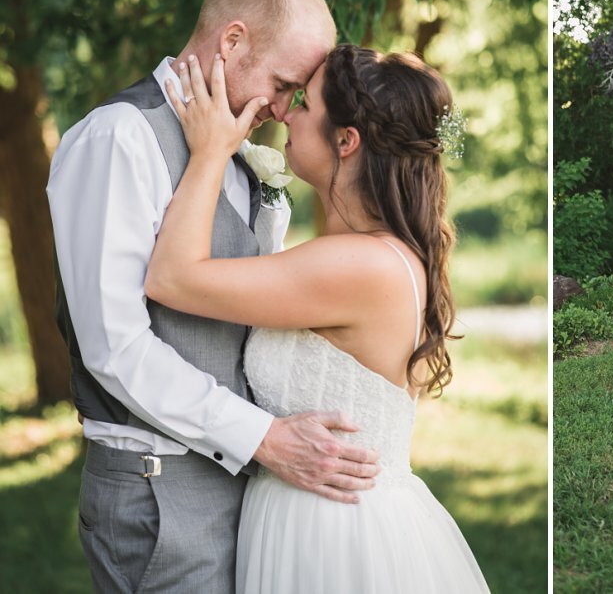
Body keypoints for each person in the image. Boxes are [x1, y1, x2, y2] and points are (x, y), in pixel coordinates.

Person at [48, 0, 379, 593]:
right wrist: (266, 439)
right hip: (161, 495)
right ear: (231, 41)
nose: (285, 111)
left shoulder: (238, 154)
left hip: (246, 491)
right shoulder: (119, 138)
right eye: (283, 84)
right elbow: (113, 346)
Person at [143, 44, 489, 591]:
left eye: (305, 103)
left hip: (335, 539)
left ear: (346, 141)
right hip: (315, 518)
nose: (285, 112)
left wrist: (210, 152)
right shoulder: (374, 252)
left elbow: (171, 279)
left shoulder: (359, 265)